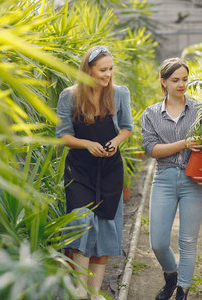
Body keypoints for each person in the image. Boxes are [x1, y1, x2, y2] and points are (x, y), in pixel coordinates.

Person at [141, 57, 202, 300]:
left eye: (185, 79)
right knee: (157, 241)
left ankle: (182, 292)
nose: (181, 84)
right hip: (164, 179)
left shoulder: (200, 110)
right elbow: (152, 149)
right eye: (175, 80)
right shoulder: (151, 114)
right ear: (163, 82)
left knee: (188, 240)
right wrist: (184, 144)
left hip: (194, 180)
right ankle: (171, 276)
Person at [56, 45, 133, 300]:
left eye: (110, 69)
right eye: (103, 70)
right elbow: (64, 136)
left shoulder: (120, 94)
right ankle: (79, 291)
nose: (108, 74)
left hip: (110, 170)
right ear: (88, 70)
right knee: (81, 224)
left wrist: (115, 143)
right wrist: (87, 144)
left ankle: (94, 293)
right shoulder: (70, 96)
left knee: (107, 229)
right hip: (79, 171)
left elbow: (126, 128)